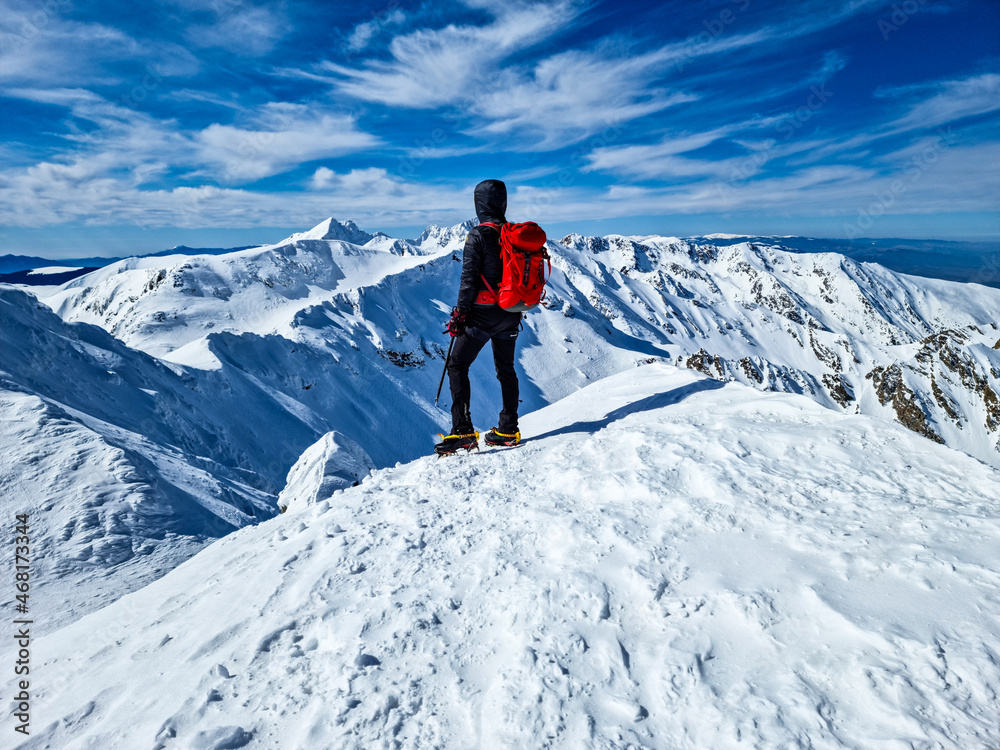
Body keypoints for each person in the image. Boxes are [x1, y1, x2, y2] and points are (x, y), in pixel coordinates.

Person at [435, 179, 523, 455]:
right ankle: (508, 429)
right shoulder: (514, 234)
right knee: (506, 369)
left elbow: (468, 281)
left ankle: (462, 431)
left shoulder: (478, 235)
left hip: (482, 315)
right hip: (511, 312)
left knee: (457, 365)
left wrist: (460, 315)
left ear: (479, 204)